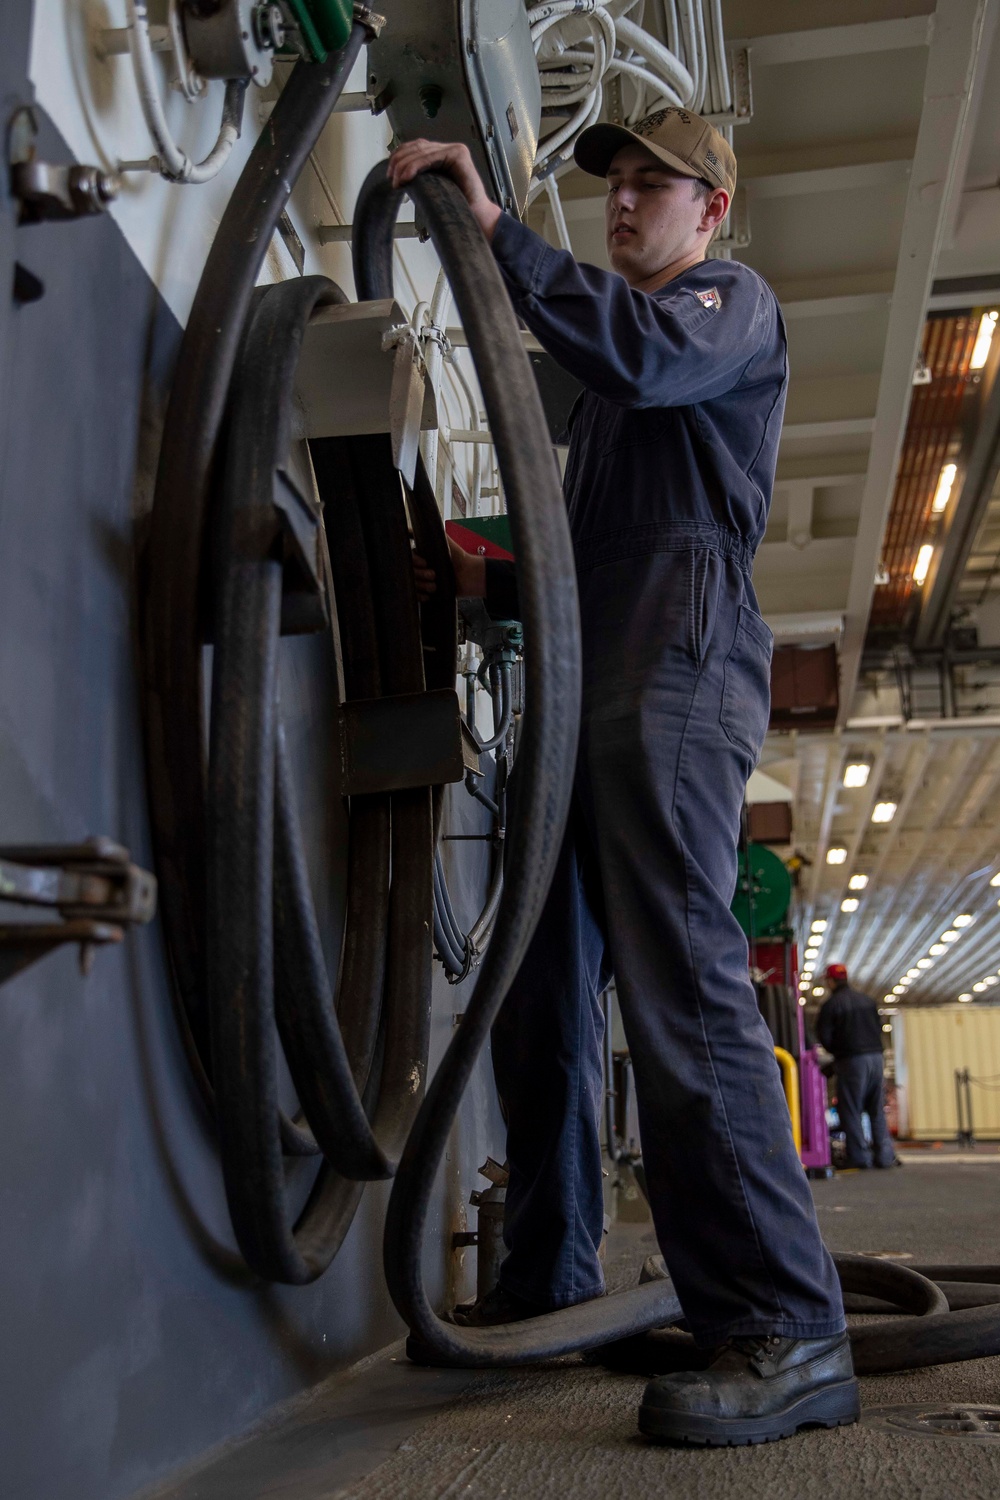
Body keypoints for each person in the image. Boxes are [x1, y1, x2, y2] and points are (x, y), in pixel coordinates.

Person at [391, 107, 857, 1448]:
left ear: (713, 212)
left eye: (657, 186)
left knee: (679, 987)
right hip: (594, 667)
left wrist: (499, 239)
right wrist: (470, 577)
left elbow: (646, 360)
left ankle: (786, 1321)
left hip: (681, 660)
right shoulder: (604, 394)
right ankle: (552, 1279)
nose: (629, 202)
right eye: (618, 186)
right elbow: (564, 552)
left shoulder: (722, 308)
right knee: (540, 988)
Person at [817, 963, 898, 1170]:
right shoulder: (867, 1000)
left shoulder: (832, 1005)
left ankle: (860, 1157)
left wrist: (838, 1053)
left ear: (830, 981)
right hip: (876, 1058)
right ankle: (885, 1156)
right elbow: (878, 1027)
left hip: (853, 1060)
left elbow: (824, 1036)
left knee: (850, 1109)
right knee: (876, 1109)